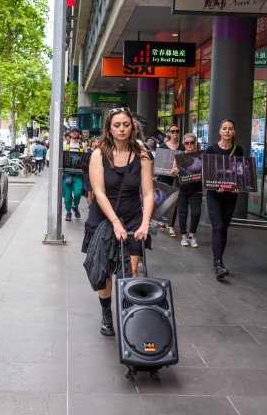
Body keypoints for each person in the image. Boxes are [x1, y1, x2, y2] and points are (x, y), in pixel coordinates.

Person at [82, 107, 153, 336]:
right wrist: (114, 222)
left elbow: (149, 194)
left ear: (132, 127)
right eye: (116, 125)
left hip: (133, 217)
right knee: (104, 271)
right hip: (103, 217)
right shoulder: (98, 155)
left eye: (125, 124)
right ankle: (106, 314)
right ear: (109, 128)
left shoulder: (142, 155)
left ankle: (126, 314)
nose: (121, 129)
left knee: (129, 271)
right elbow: (99, 193)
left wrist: (145, 223)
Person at [205, 119, 243, 279]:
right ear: (220, 131)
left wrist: (238, 185)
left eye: (230, 129)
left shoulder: (238, 150)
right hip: (214, 194)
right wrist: (215, 186)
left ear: (234, 132)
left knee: (224, 227)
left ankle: (219, 260)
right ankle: (218, 263)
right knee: (218, 227)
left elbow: (240, 172)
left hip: (230, 195)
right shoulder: (211, 149)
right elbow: (207, 172)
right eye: (225, 128)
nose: (227, 131)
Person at [171, 133, 202, 247]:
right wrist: (175, 171)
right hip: (181, 188)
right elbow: (172, 171)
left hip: (196, 189)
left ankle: (191, 236)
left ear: (195, 144)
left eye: (192, 142)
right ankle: (183, 237)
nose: (189, 145)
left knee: (196, 212)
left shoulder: (200, 156)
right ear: (184, 144)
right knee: (182, 213)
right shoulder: (179, 156)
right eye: (187, 143)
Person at [156, 124, 184, 237]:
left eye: (177, 131)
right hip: (164, 176)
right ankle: (162, 220)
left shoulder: (182, 147)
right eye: (172, 131)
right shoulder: (162, 146)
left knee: (174, 201)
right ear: (169, 132)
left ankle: (171, 226)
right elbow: (158, 164)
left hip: (177, 178)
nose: (175, 133)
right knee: (163, 200)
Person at [63, 127, 85, 221]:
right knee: (67, 196)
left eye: (77, 131)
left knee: (78, 193)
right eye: (73, 131)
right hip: (67, 174)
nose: (75, 133)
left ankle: (75, 206)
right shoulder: (64, 144)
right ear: (70, 134)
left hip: (78, 175)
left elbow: (85, 158)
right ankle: (68, 212)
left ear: (79, 133)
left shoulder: (83, 145)